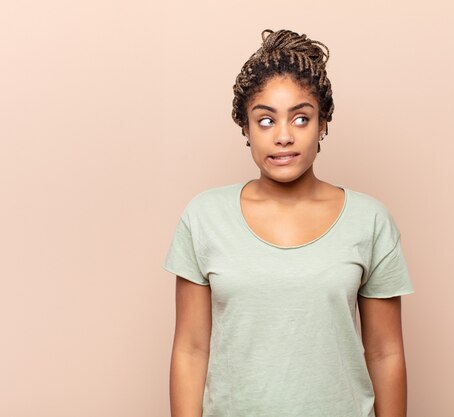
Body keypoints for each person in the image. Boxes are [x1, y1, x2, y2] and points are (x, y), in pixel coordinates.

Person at [163, 29, 414, 417]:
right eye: (265, 121)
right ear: (245, 128)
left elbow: (385, 352)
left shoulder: (370, 221)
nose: (283, 136)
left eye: (301, 118)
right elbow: (191, 349)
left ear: (323, 124)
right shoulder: (204, 217)